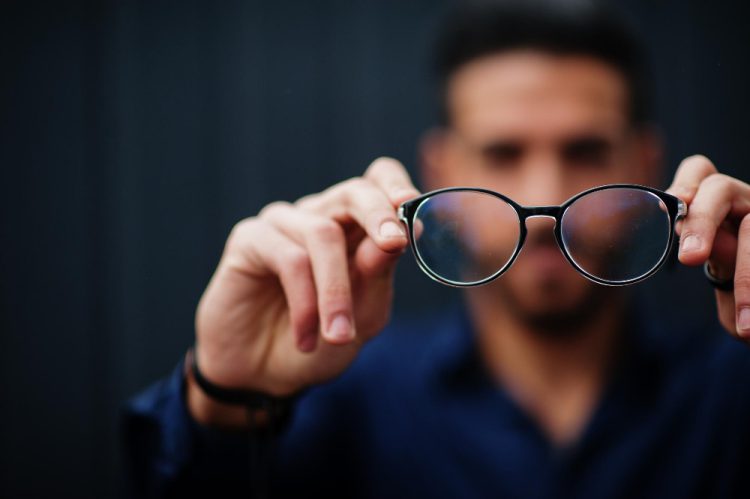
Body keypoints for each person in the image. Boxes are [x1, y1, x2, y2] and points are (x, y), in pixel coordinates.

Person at [124, 1, 750, 497]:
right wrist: (223, 399)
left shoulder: (731, 394)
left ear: (646, 164)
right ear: (443, 170)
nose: (544, 200)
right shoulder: (350, 402)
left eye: (584, 152)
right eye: (503, 153)